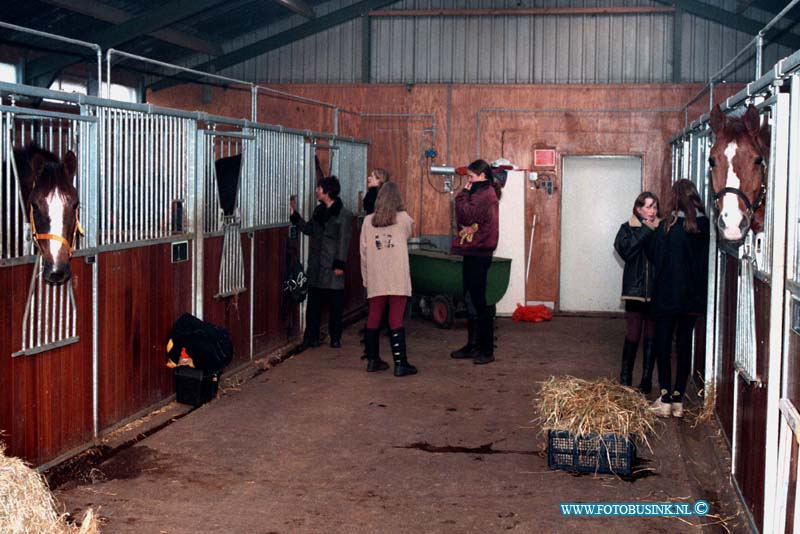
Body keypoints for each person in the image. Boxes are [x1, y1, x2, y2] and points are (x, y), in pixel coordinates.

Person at [646, 179, 710, 418]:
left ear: (674, 197)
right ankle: (678, 400)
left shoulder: (667, 226)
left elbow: (655, 258)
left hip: (667, 296)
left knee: (663, 346)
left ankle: (663, 398)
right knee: (684, 346)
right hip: (692, 299)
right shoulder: (703, 226)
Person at [360, 182, 417, 377]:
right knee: (395, 318)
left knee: (374, 316)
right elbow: (409, 234)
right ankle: (401, 364)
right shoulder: (404, 219)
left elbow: (364, 252)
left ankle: (372, 360)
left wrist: (366, 279)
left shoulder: (367, 221)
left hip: (377, 277)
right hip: (396, 277)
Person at [290, 176, 353, 349]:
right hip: (317, 263)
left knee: (335, 303)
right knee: (314, 303)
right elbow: (309, 229)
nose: (316, 190)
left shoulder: (344, 214)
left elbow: (344, 240)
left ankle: (335, 337)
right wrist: (295, 217)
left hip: (332, 264)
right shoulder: (319, 212)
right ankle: (312, 337)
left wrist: (339, 264)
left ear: (327, 191)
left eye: (319, 188)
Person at [449, 159, 501, 365]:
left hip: (479, 253)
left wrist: (462, 194)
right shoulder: (481, 193)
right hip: (473, 251)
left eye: (470, 177)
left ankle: (486, 350)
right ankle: (473, 346)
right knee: (470, 298)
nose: (468, 181)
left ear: (482, 176)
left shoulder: (485, 194)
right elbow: (468, 220)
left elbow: (465, 214)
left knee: (478, 301)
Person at [613, 192, 660, 393]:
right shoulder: (626, 229)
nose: (652, 211)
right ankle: (625, 378)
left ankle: (646, 380)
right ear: (638, 209)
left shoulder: (663, 229)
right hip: (634, 291)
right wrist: (645, 230)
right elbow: (628, 252)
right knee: (633, 333)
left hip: (657, 291)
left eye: (655, 207)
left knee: (652, 335)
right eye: (648, 207)